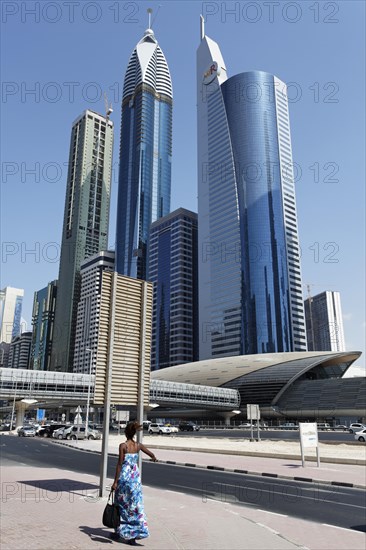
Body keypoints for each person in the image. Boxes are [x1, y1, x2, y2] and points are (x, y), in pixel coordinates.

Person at [111, 421, 157, 544]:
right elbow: (151, 454)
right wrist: (153, 458)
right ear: (134, 433)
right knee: (135, 506)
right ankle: (133, 536)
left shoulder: (123, 446)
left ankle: (118, 532)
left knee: (121, 505)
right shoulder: (138, 446)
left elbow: (119, 465)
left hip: (124, 480)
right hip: (135, 481)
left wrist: (115, 482)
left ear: (126, 433)